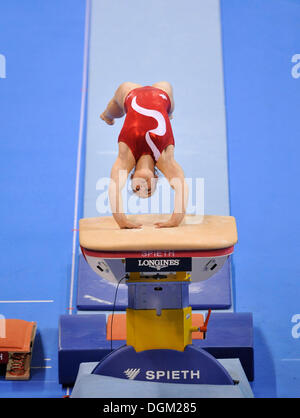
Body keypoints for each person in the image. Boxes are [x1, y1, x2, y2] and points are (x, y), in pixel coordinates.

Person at [100, 81, 188, 229]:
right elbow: (182, 187)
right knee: (167, 100)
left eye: (137, 189)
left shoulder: (126, 158)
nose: (143, 186)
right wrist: (175, 220)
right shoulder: (165, 159)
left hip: (129, 92)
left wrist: (122, 221)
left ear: (132, 177)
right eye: (149, 189)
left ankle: (106, 116)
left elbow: (114, 187)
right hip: (162, 92)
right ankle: (169, 113)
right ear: (156, 178)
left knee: (112, 111)